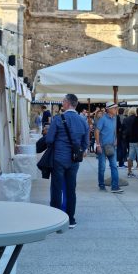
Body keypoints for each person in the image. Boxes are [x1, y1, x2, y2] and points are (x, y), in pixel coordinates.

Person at [45, 94, 89, 228]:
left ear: (67, 103)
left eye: (63, 101)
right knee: (71, 189)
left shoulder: (58, 119)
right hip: (74, 160)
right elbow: (85, 143)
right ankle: (71, 219)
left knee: (57, 188)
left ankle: (56, 218)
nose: (62, 103)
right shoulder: (83, 121)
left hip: (59, 158)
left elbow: (49, 140)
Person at [95, 102, 123, 193]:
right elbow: (97, 132)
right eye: (114, 108)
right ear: (109, 109)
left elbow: (114, 130)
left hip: (111, 146)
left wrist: (115, 139)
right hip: (102, 147)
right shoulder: (102, 119)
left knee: (114, 166)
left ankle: (115, 186)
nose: (116, 109)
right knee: (102, 167)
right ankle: (101, 185)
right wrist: (98, 145)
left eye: (116, 108)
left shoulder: (114, 119)